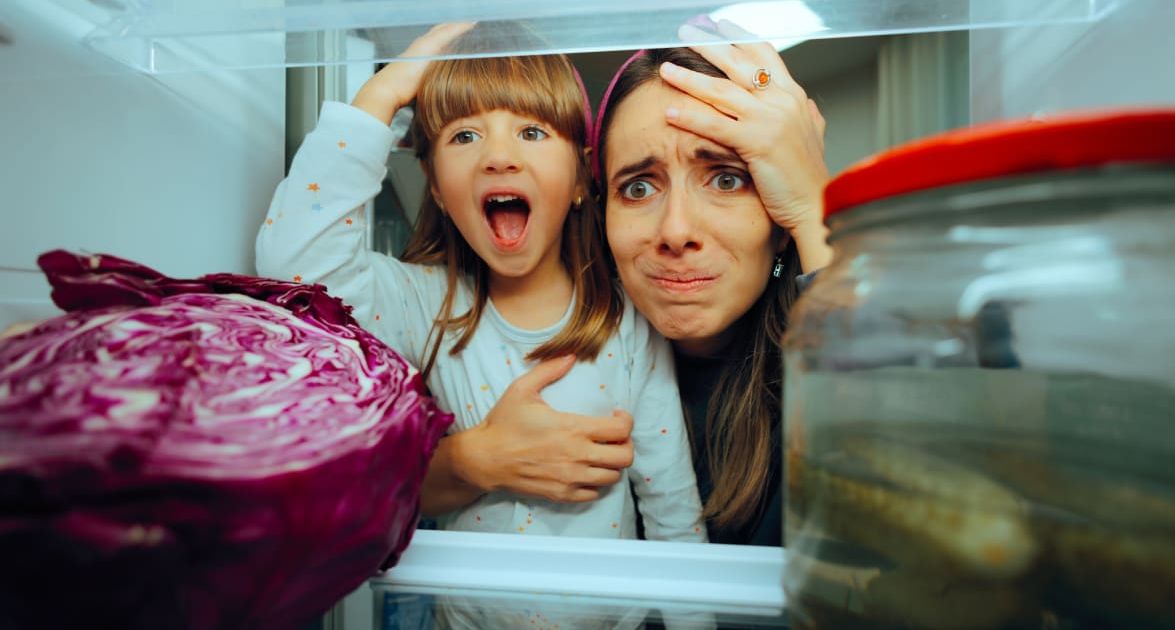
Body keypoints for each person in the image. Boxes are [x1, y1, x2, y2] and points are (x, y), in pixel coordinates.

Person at [255, 22, 706, 548]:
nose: (499, 157)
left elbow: (671, 504)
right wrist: (384, 94)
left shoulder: (625, 317)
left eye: (532, 132)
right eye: (465, 136)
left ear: (583, 178)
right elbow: (293, 267)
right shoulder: (421, 303)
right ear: (438, 188)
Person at [421, 21, 831, 548]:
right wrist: (465, 463)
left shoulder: (820, 361)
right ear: (601, 210)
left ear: (781, 222)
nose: (676, 231)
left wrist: (815, 205)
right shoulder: (576, 345)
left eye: (726, 179)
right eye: (638, 187)